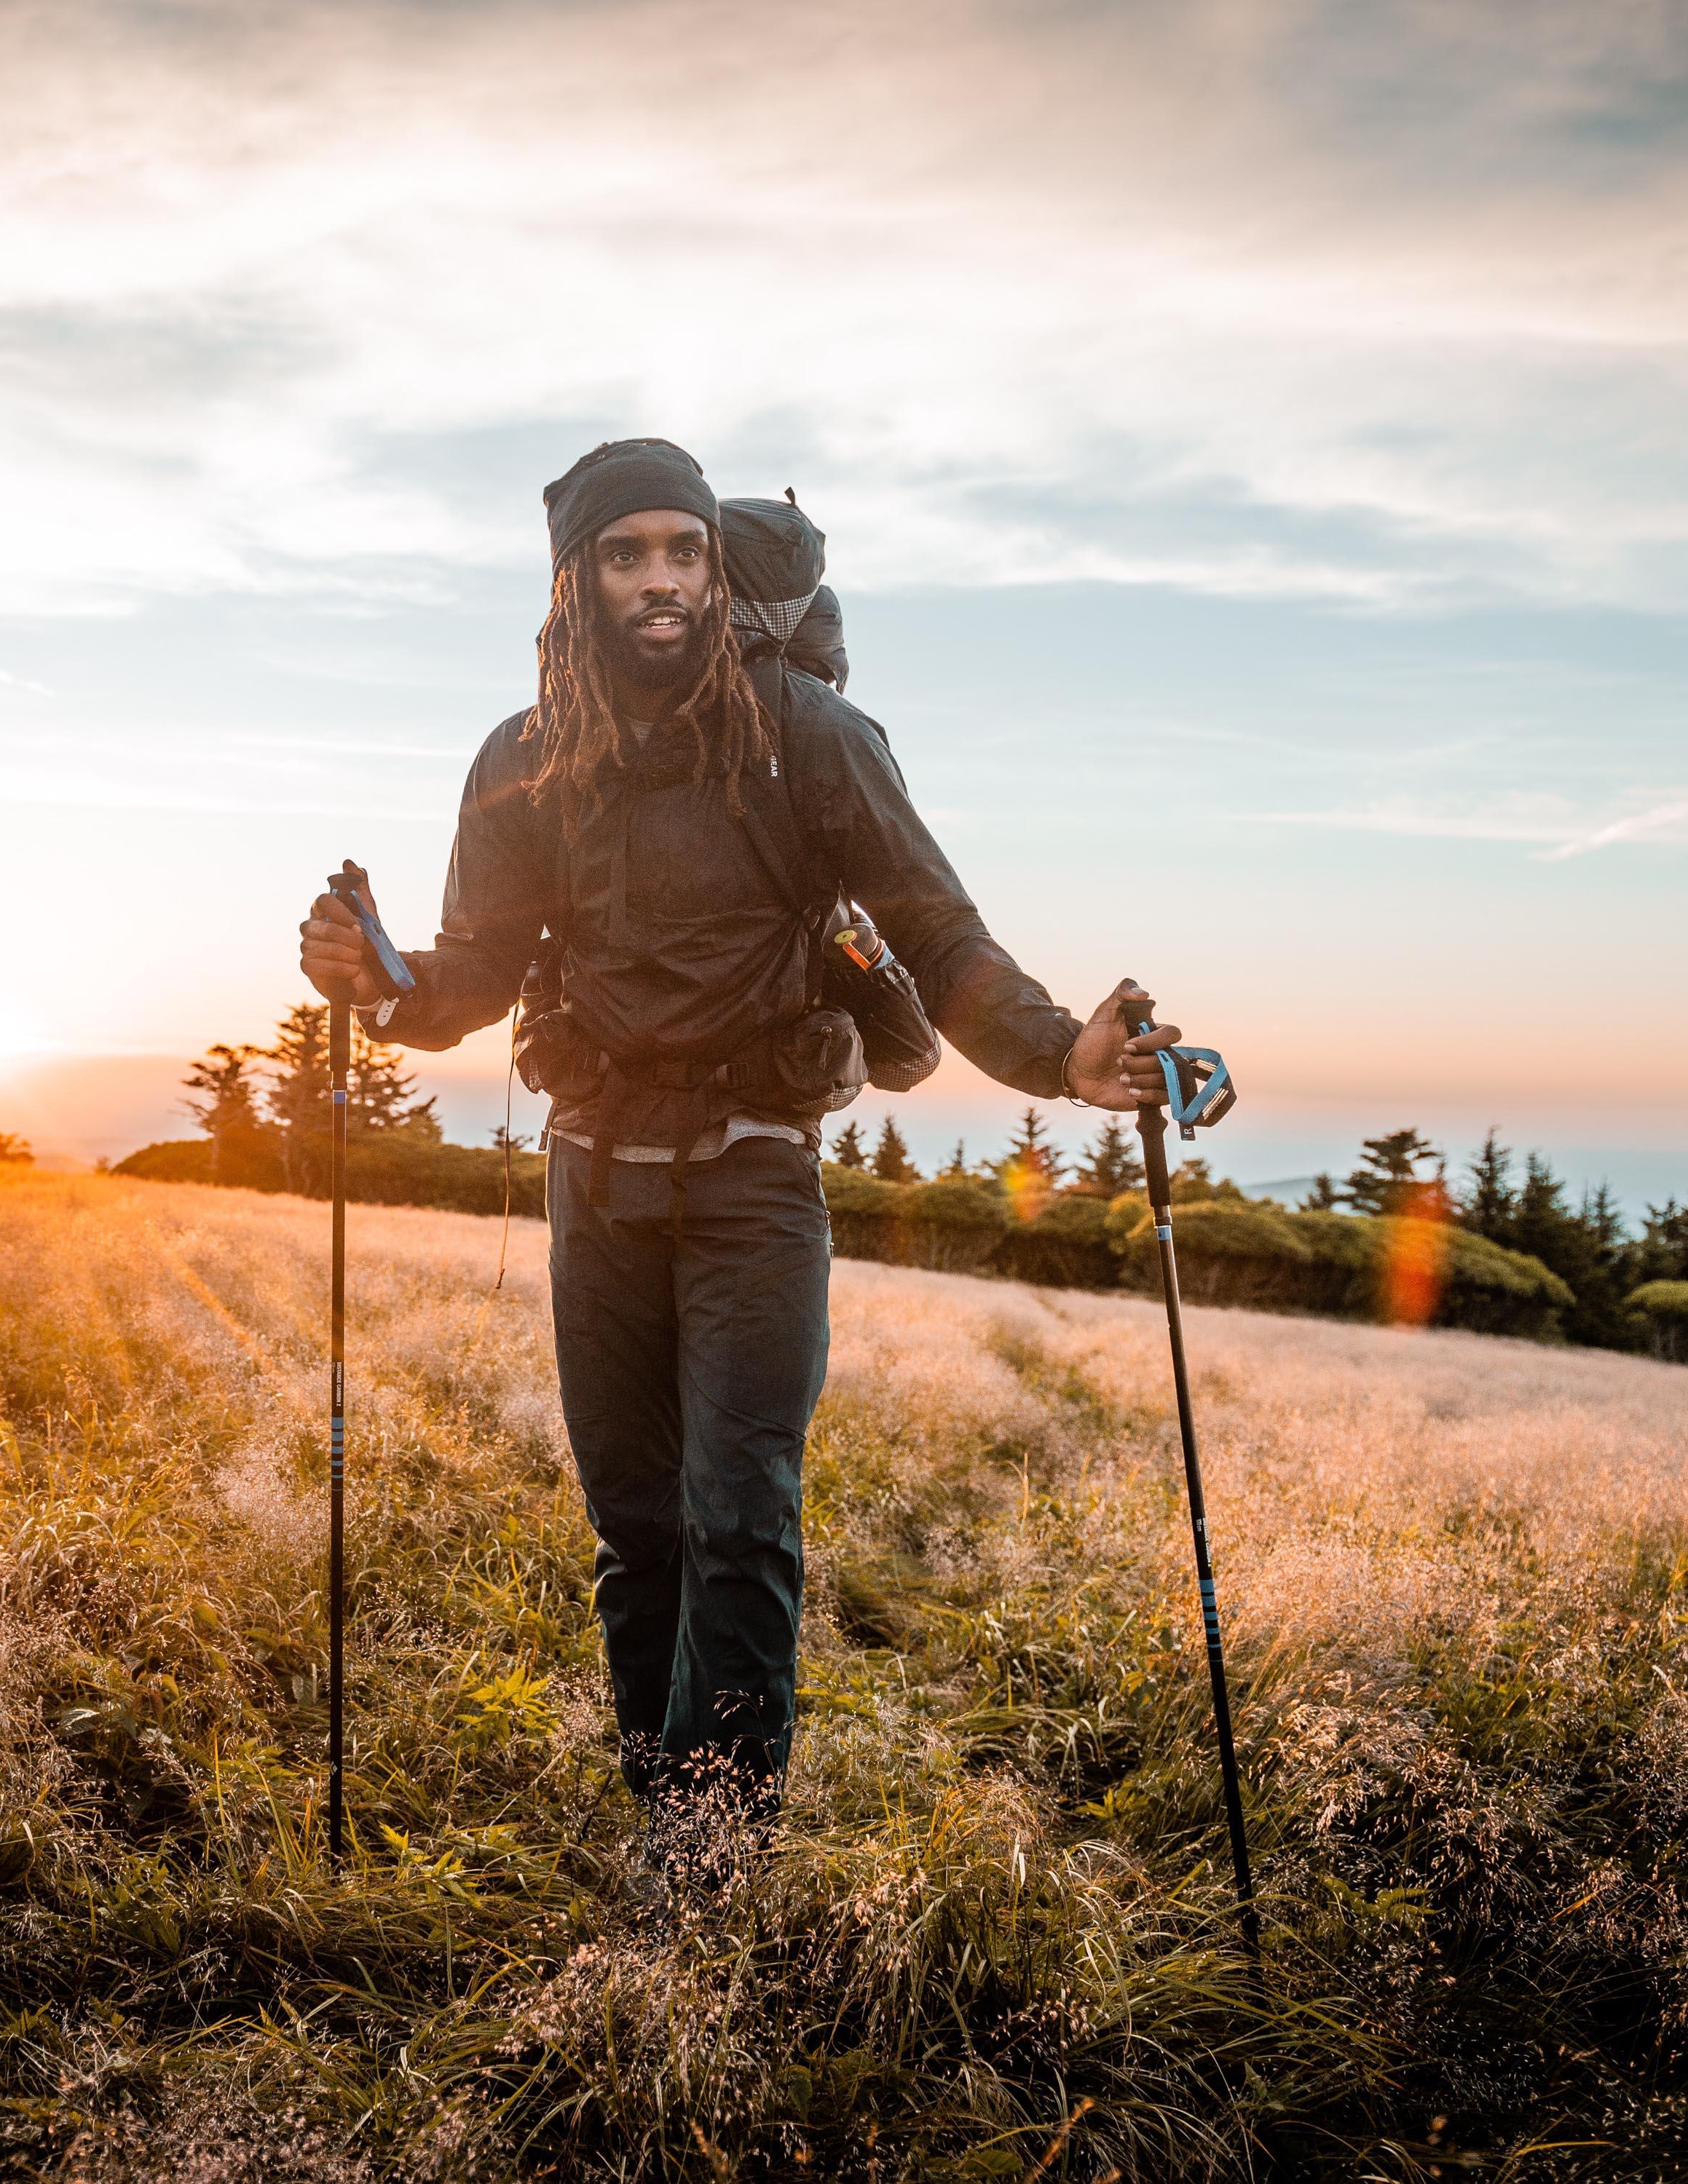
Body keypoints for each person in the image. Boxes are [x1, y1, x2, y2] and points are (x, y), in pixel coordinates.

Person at [299, 437, 1178, 1888]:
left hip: (754, 1178)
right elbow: (466, 977)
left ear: (718, 572)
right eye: (626, 554)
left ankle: (712, 1851)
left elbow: (940, 937)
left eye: (684, 552)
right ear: (576, 580)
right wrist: (374, 982)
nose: (659, 581)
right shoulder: (523, 759)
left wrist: (1060, 1056)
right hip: (595, 1177)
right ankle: (665, 1800)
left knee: (738, 1516)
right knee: (635, 1527)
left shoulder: (812, 736)